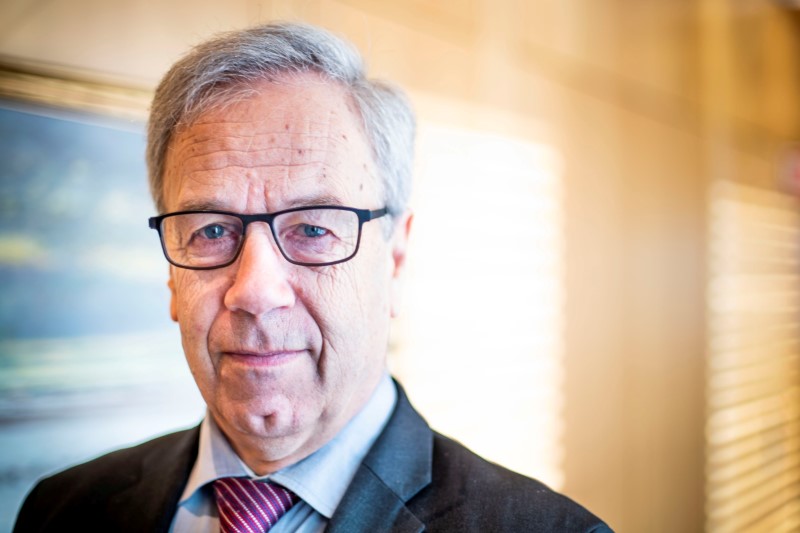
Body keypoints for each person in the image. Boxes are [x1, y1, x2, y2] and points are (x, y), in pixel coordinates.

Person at [14, 22, 611, 533]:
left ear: (395, 259)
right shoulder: (61, 511)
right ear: (172, 274)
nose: (254, 292)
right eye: (212, 231)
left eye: (313, 230)